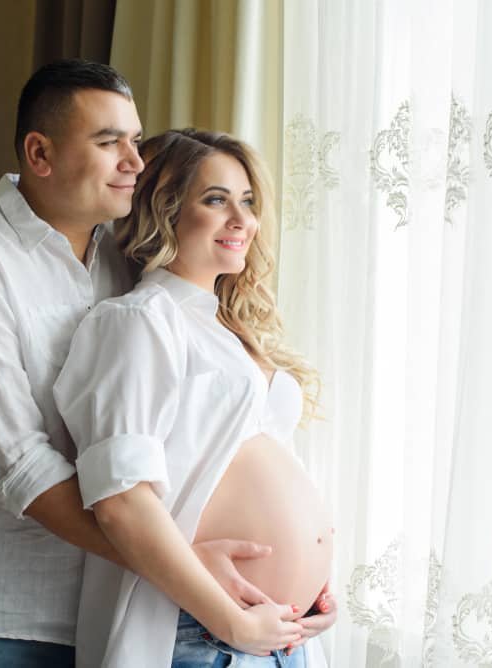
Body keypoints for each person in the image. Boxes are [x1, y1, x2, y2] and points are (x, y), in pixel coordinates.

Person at [0, 61, 283, 667]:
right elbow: (18, 464)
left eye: (135, 141)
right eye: (109, 142)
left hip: (110, 611)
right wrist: (187, 565)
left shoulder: (127, 258)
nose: (134, 161)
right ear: (40, 153)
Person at [54, 129, 337, 667]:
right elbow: (121, 501)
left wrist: (316, 584)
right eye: (216, 199)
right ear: (164, 209)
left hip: (280, 636)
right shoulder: (140, 321)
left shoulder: (229, 331)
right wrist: (230, 621)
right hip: (200, 633)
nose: (242, 220)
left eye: (248, 202)